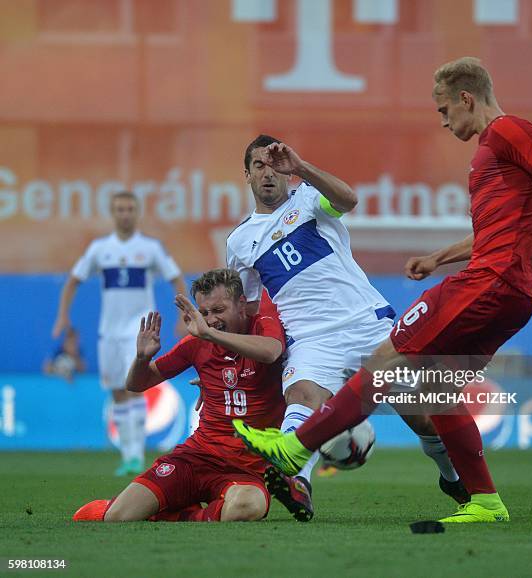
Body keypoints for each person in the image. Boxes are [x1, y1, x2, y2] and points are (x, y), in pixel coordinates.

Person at [232, 56, 532, 523]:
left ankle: (297, 450)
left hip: (487, 282)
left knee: (387, 358)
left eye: (444, 111)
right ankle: (483, 500)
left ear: (466, 98)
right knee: (439, 388)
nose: (443, 121)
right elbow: (503, 231)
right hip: (514, 292)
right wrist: (439, 258)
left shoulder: (505, 131)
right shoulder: (492, 151)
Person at [226, 135, 467, 521]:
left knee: (423, 414)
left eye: (274, 165)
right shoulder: (239, 241)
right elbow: (250, 307)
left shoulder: (307, 199)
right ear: (247, 175)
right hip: (310, 339)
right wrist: (230, 357)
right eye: (259, 166)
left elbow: (349, 200)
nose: (268, 173)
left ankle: (453, 477)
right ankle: (299, 485)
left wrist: (301, 167)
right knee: (303, 395)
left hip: (366, 325)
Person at [72, 269, 286, 523]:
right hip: (196, 457)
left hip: (247, 469)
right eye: (204, 313)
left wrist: (210, 333)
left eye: (218, 310)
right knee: (118, 516)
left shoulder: (263, 325)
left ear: (242, 304)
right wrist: (142, 359)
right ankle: (193, 512)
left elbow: (272, 352)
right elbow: (136, 384)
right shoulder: (196, 344)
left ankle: (181, 515)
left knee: (246, 507)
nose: (210, 319)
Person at [52, 190, 187, 476]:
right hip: (109, 332)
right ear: (113, 213)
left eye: (129, 209)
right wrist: (63, 315)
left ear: (136, 212)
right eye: (120, 209)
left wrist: (182, 316)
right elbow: (73, 281)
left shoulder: (150, 248)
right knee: (116, 391)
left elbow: (175, 277)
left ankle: (136, 456)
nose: (125, 214)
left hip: (137, 331)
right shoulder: (100, 249)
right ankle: (128, 456)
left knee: (133, 387)